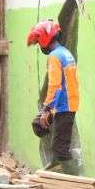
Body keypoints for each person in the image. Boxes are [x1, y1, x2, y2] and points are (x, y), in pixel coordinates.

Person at [26, 20, 79, 170]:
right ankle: (58, 152)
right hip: (64, 103)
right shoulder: (65, 52)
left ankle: (73, 176)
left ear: (44, 38)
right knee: (38, 125)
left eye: (38, 42)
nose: (39, 45)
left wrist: (47, 109)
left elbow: (54, 85)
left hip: (63, 105)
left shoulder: (55, 56)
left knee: (60, 148)